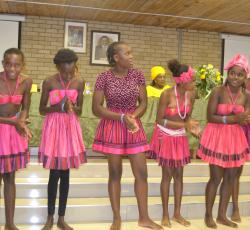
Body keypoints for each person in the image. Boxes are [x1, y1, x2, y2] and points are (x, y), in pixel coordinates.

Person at [92, 41, 163, 230]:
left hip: (133, 123)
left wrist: (132, 117)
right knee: (115, 173)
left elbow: (143, 103)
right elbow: (97, 108)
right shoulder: (103, 77)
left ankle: (144, 218)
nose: (131, 56)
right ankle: (116, 218)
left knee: (142, 173)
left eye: (131, 52)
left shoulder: (138, 75)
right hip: (113, 123)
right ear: (116, 57)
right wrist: (122, 117)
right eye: (127, 53)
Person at [197, 54, 250, 228]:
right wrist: (233, 119)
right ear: (228, 73)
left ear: (245, 77)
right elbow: (210, 117)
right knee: (216, 178)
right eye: (233, 73)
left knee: (230, 178)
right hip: (217, 136)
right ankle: (208, 215)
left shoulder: (247, 95)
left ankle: (221, 215)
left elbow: (246, 118)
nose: (235, 77)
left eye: (240, 74)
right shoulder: (218, 91)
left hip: (236, 138)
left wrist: (244, 119)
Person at [39, 49, 86, 230]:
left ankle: (61, 218)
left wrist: (73, 107)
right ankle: (50, 217)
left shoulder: (80, 81)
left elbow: (81, 110)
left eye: (72, 70)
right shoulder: (49, 81)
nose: (68, 75)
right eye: (65, 71)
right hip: (54, 128)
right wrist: (57, 107)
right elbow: (42, 109)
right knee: (54, 173)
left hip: (70, 128)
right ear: (58, 67)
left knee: (65, 173)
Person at [149, 59, 199, 228]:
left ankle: (177, 213)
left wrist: (192, 127)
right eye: (192, 79)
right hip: (166, 136)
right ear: (183, 81)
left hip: (180, 137)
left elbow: (187, 117)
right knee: (167, 175)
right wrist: (185, 125)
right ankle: (164, 215)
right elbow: (159, 120)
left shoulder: (192, 95)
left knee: (179, 176)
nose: (194, 82)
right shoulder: (167, 94)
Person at [0, 48, 32, 230]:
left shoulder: (27, 81)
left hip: (12, 134)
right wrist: (14, 123)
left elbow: (26, 106)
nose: (13, 68)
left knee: (10, 178)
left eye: (17, 64)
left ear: (22, 65)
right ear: (3, 63)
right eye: (8, 64)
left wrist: (21, 119)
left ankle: (10, 223)